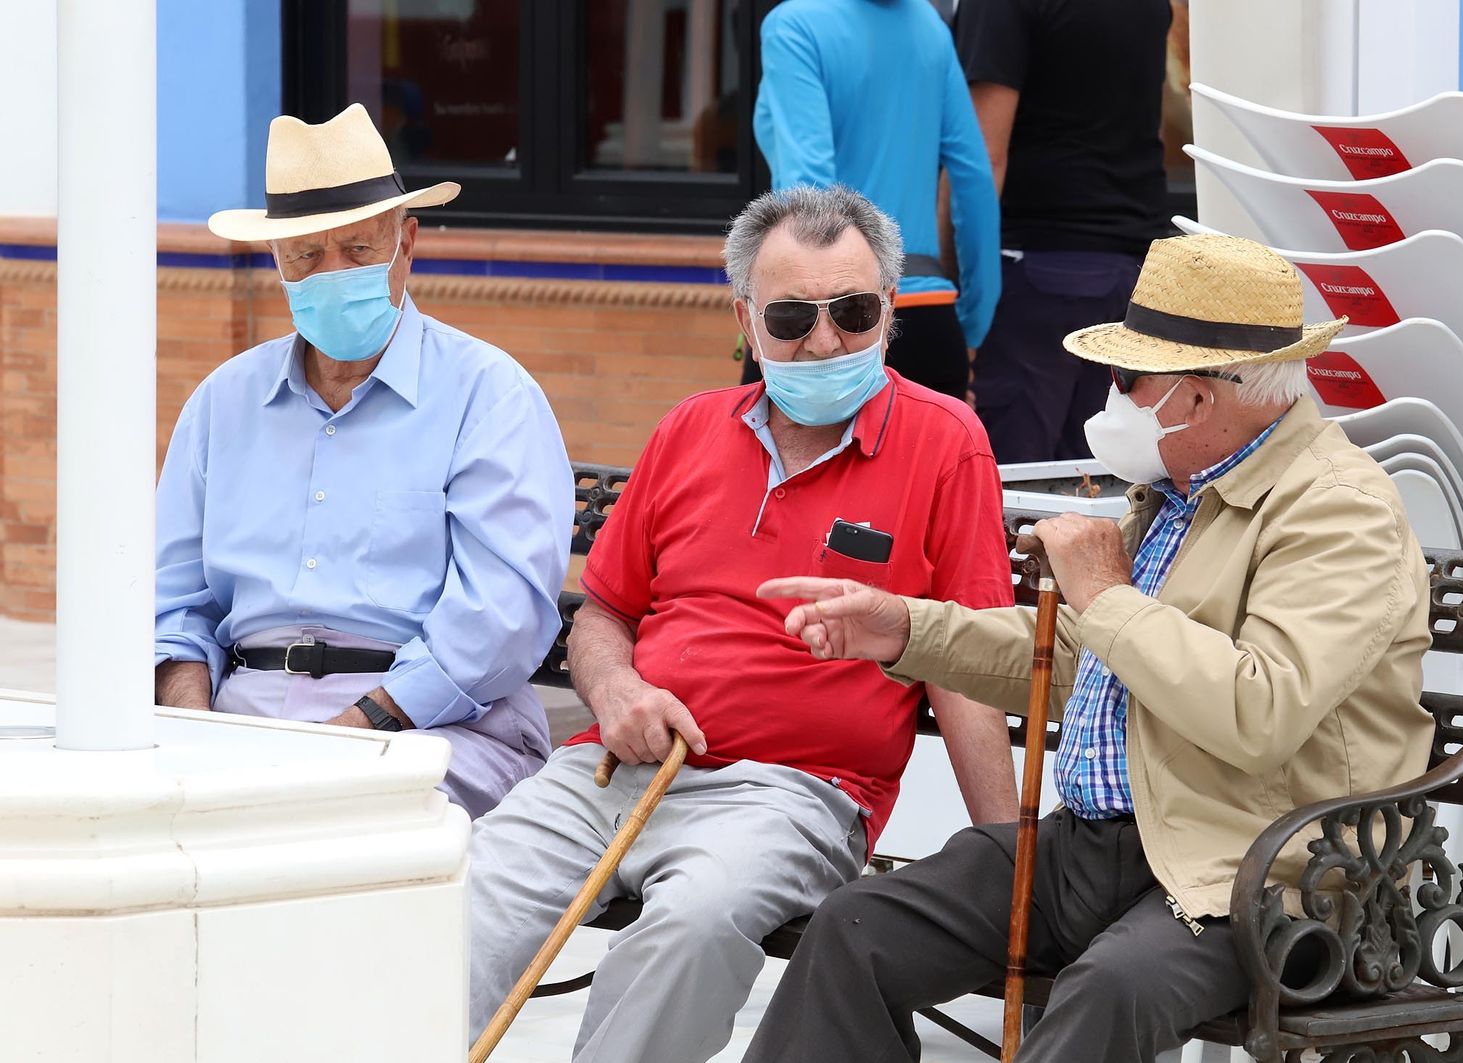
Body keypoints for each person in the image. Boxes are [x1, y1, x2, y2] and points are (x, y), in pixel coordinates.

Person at [741, 234, 1436, 1063]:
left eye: (1127, 377)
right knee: (855, 927)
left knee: (1109, 988)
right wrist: (906, 628)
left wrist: (1106, 594)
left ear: (1200, 396)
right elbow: (1081, 655)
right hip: (1103, 846)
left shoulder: (1339, 509)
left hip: (1263, 872)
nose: (1113, 395)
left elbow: (1261, 710)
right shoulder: (1187, 486)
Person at [467, 186, 1019, 1063]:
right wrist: (616, 690)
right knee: (460, 899)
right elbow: (606, 611)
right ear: (746, 320)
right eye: (793, 317)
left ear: (891, 310)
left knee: (692, 925)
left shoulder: (946, 442)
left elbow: (972, 660)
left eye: (854, 311)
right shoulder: (689, 428)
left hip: (793, 794)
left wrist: (1010, 856)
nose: (826, 340)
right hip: (612, 766)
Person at [154, 104, 570, 819]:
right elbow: (174, 603)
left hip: (432, 733)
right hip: (241, 726)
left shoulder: (488, 395)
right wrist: (194, 731)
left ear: (406, 243)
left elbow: (500, 618)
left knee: (307, 821)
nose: (332, 274)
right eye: (306, 256)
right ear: (276, 260)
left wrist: (351, 735)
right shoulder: (223, 403)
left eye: (356, 248)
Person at [742, 0, 1000, 400]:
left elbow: (806, 191)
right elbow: (974, 178)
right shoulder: (930, 28)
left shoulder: (794, 26)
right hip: (929, 318)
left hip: (822, 327)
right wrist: (973, 324)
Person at [955, 0, 1174, 461]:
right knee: (1103, 476)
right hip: (1133, 271)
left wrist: (960, 294)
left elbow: (981, 159)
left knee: (1008, 482)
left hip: (1035, 270)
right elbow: (1147, 127)